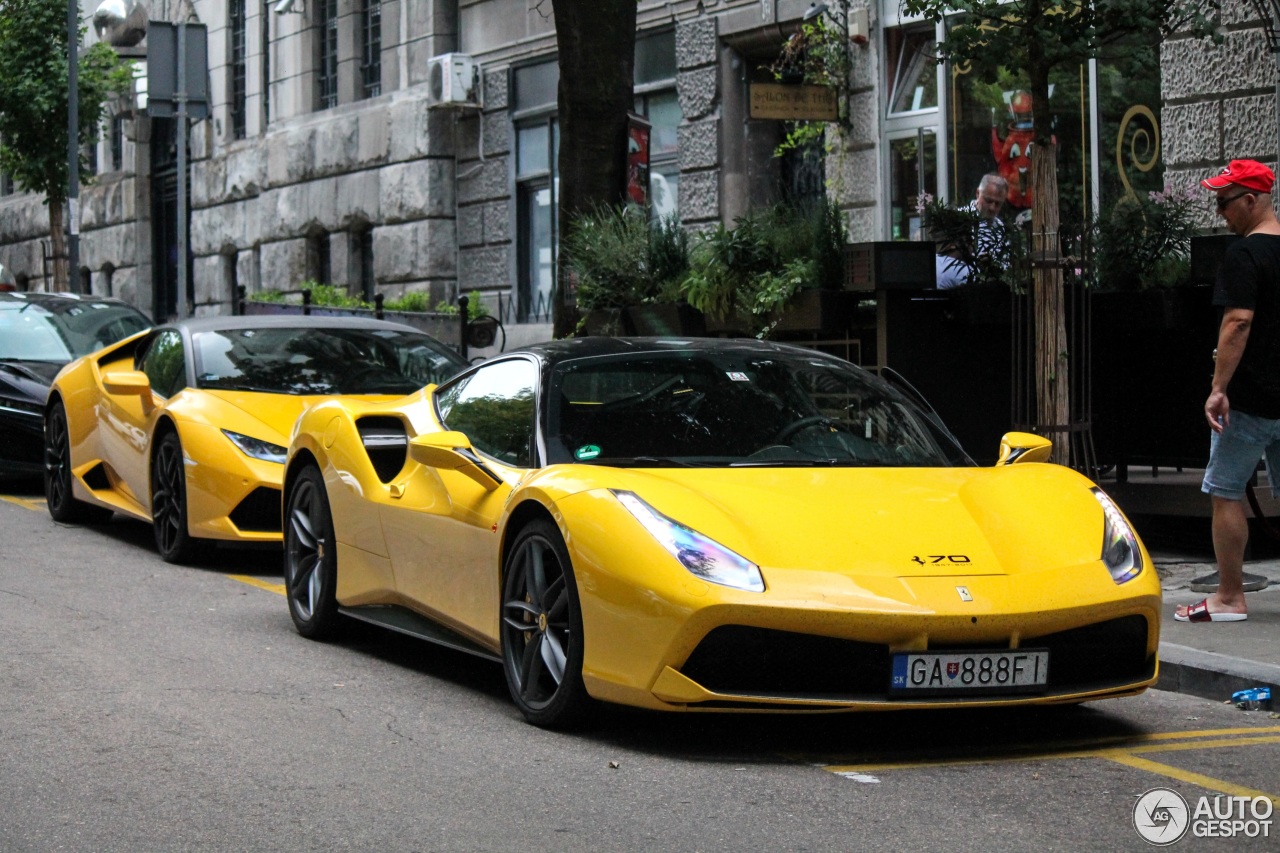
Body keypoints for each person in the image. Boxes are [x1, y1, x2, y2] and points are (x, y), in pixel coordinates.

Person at [1176, 159, 1280, 623]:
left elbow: (1238, 322)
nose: (1220, 212)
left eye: (1224, 202)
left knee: (1225, 491)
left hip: (1251, 398)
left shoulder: (1243, 255)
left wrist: (1218, 389)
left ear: (1251, 201)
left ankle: (1230, 596)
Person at [935, 173, 1010, 289]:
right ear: (977, 193)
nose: (992, 208)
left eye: (998, 203)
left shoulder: (1001, 228)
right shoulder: (958, 220)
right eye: (988, 201)